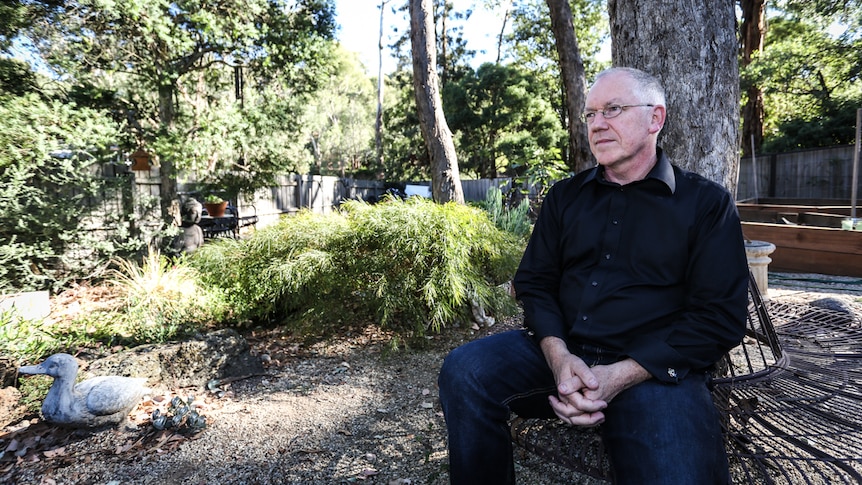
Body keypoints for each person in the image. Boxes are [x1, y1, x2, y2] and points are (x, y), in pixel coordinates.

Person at [437, 67, 750, 485]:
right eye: (590, 114)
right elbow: (536, 282)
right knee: (465, 369)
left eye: (613, 109)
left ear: (655, 119)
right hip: (560, 352)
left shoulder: (706, 204)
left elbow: (719, 318)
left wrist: (619, 375)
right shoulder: (566, 197)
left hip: (654, 370)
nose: (597, 124)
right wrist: (560, 357)